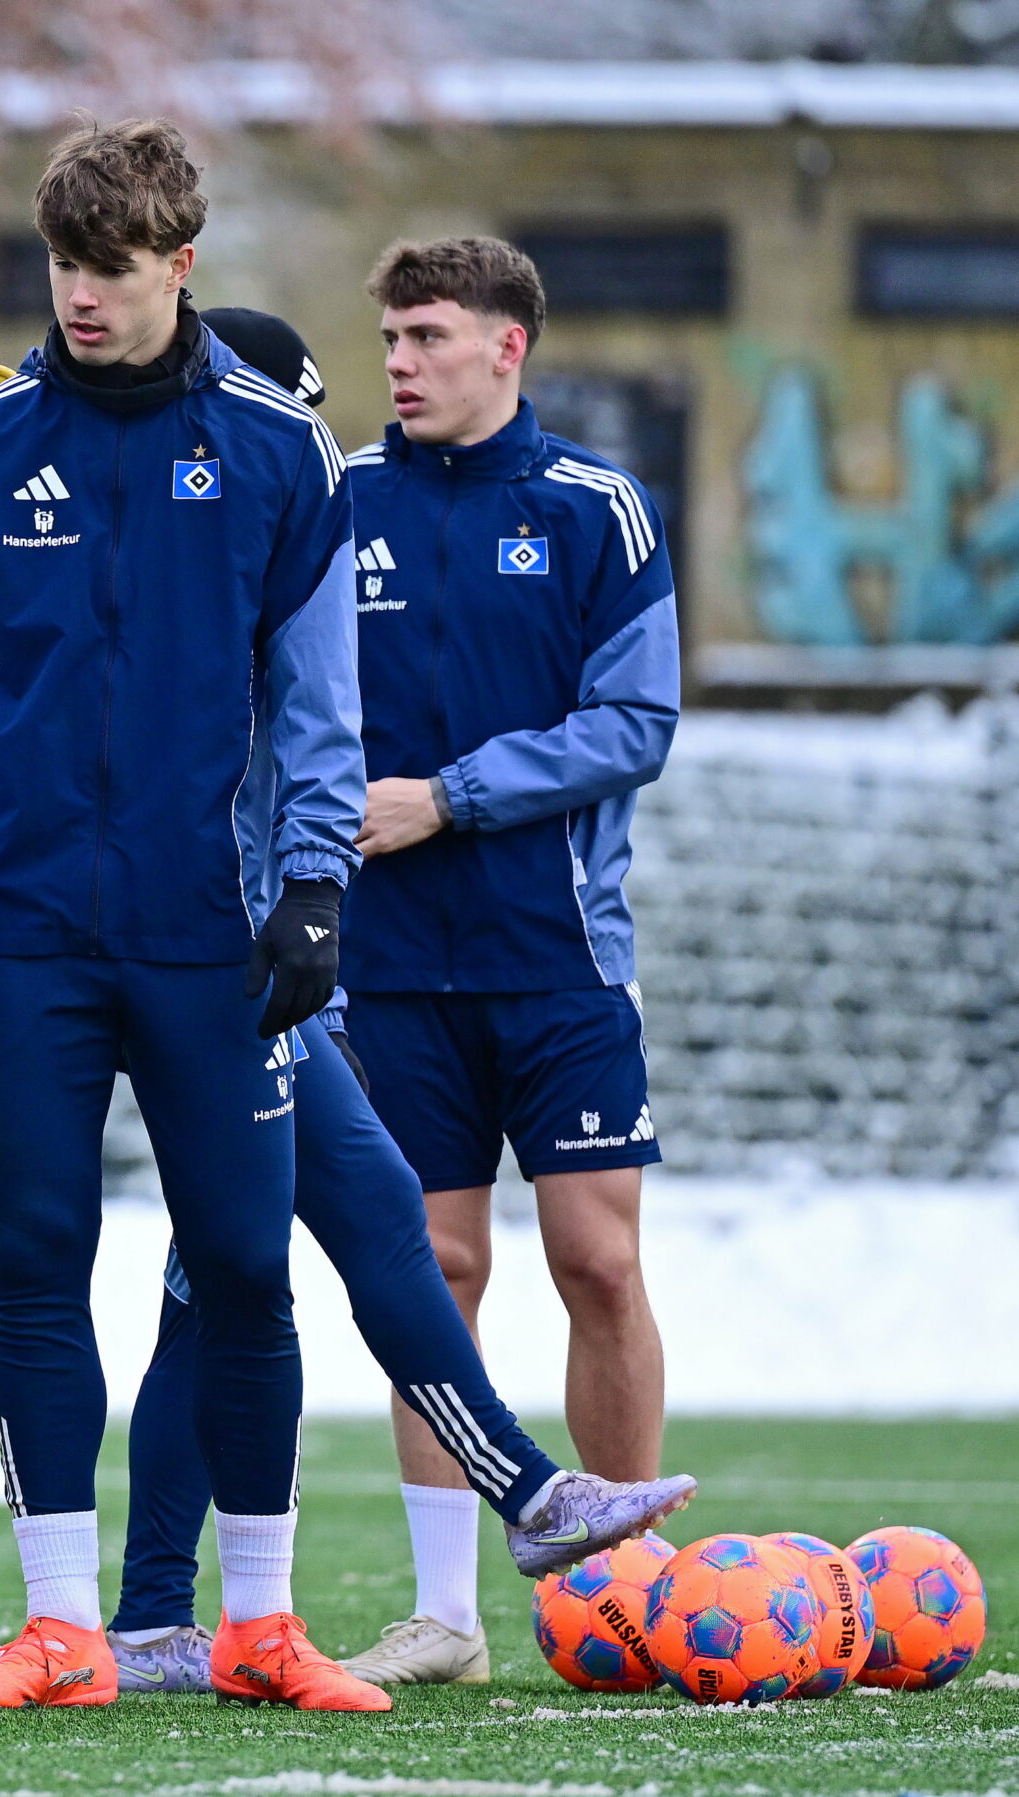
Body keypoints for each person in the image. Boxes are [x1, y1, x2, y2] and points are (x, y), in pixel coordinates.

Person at [100, 310, 696, 1696]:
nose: (392, 373)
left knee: (294, 1260)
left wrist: (422, 814)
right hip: (240, 958)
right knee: (255, 1267)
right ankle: (155, 1613)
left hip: (335, 958)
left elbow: (626, 721)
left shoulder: (552, 508)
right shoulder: (221, 531)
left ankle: (175, 1612)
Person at [0, 118, 379, 1713]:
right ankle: (62, 1631)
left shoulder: (281, 455)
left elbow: (318, 702)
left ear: (180, 264)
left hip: (210, 934)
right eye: (61, 265)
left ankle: (263, 1626)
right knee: (39, 1261)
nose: (80, 296)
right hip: (24, 930)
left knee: (242, 1266)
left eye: (110, 267)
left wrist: (314, 885)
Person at [331, 237, 682, 1686]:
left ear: (505, 345)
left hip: (559, 959)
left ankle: (636, 1596)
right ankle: (448, 1618)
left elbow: (636, 724)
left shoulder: (599, 508)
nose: (399, 362)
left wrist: (449, 797)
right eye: (390, 339)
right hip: (386, 964)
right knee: (436, 1269)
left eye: (425, 336)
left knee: (597, 1261)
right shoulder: (340, 499)